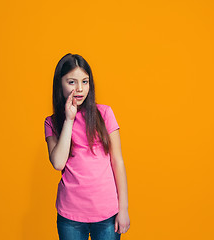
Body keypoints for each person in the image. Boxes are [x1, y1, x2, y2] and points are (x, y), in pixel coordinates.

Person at [44, 53, 130, 240]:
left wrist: (123, 209)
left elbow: (118, 162)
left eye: (85, 81)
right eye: (72, 82)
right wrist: (69, 119)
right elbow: (58, 163)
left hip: (107, 213)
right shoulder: (52, 122)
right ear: (60, 83)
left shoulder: (104, 114)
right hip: (70, 215)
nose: (80, 89)